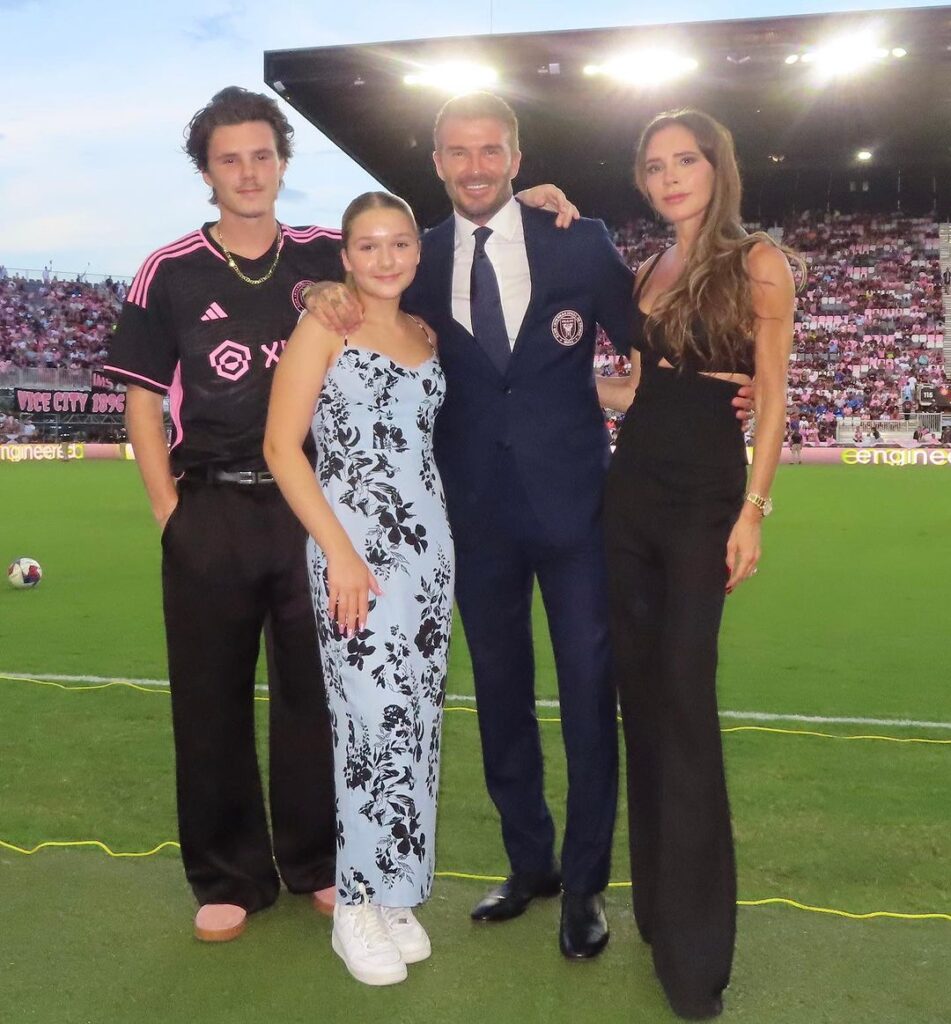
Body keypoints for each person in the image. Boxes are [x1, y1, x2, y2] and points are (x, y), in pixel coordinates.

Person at [307, 92, 753, 960]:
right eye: (457, 151)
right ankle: (528, 865)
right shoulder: (417, 257)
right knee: (500, 696)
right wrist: (318, 286)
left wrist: (745, 379)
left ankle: (584, 887)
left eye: (491, 150)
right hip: (471, 518)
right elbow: (354, 289)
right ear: (436, 162)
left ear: (516, 158)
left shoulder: (577, 242)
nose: (475, 166)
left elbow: (657, 342)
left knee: (588, 695)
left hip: (580, 512)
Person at [103, 86, 339, 942]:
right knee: (210, 702)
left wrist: (531, 201)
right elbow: (139, 400)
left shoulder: (329, 254)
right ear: (205, 173)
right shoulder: (168, 269)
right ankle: (229, 876)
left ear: (282, 162)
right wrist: (170, 511)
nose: (247, 172)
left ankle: (317, 861)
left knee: (316, 696)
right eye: (228, 159)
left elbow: (416, 257)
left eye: (261, 155)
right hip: (211, 506)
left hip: (311, 508)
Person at [596, 109, 797, 1020]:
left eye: (684, 160)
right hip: (629, 497)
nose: (669, 176)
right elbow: (636, 389)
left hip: (702, 506)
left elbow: (773, 391)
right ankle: (655, 910)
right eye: (653, 166)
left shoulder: (757, 262)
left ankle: (695, 956)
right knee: (640, 699)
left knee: (683, 699)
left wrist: (753, 508)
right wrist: (552, 384)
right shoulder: (645, 270)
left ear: (717, 168)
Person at [264, 191, 451, 987]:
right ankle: (355, 905)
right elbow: (281, 447)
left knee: (416, 725)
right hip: (352, 554)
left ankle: (397, 890)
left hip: (428, 553)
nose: (384, 258)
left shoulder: (425, 333)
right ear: (345, 257)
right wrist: (338, 552)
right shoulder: (325, 324)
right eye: (367, 245)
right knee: (369, 724)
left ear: (417, 251)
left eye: (398, 243)